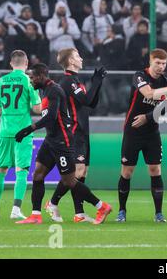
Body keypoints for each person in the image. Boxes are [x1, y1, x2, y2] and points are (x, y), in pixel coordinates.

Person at [14, 63, 112, 225]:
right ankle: (36, 215)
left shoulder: (55, 90)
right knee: (37, 174)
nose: (30, 81)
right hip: (50, 139)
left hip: (62, 141)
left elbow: (51, 117)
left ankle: (101, 206)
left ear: (40, 76)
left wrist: (29, 129)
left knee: (69, 181)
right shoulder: (44, 90)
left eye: (32, 78)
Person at [117, 49, 167, 223]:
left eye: (164, 63)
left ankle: (158, 213)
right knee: (127, 171)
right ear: (151, 61)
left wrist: (149, 117)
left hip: (152, 132)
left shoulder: (165, 81)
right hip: (132, 131)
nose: (161, 66)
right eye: (158, 63)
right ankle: (122, 211)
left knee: (155, 170)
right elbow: (148, 94)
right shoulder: (140, 76)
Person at [44, 48, 104, 223]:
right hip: (74, 132)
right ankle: (53, 202)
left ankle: (79, 213)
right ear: (70, 61)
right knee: (76, 171)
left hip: (83, 131)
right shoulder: (68, 81)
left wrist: (97, 83)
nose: (81, 58)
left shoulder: (76, 81)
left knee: (83, 171)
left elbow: (91, 103)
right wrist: (96, 82)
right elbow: (86, 100)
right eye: (77, 56)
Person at [0, 50, 41, 219]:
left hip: (4, 131)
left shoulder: (1, 81)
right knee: (21, 170)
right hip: (22, 131)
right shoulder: (28, 80)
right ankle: (16, 209)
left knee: (0, 169)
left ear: (11, 63)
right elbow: (37, 109)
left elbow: (0, 109)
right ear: (26, 64)